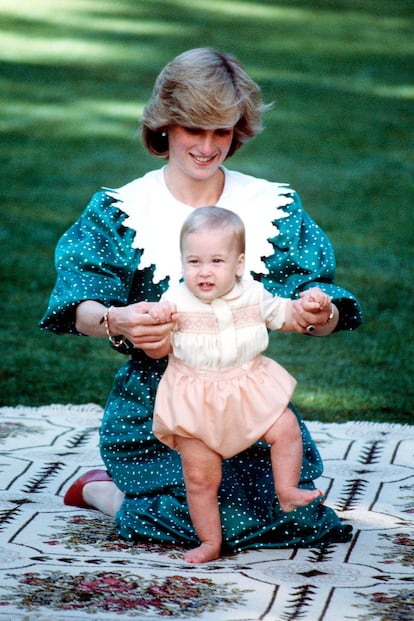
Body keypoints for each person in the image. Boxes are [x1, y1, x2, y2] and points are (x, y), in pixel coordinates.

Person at [40, 47, 362, 558]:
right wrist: (112, 319)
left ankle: (168, 498)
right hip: (160, 404)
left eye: (223, 131)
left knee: (297, 520)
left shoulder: (271, 207)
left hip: (242, 396)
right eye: (195, 128)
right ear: (164, 125)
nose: (209, 146)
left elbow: (318, 297)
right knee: (194, 518)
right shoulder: (121, 210)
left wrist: (319, 313)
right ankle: (106, 490)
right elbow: (77, 300)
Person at [150, 205, 332, 563]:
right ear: (182, 262)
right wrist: (154, 324)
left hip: (247, 386)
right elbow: (156, 341)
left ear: (238, 264)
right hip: (194, 398)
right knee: (201, 478)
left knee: (286, 427)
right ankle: (210, 542)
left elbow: (285, 314)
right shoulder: (174, 300)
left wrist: (309, 305)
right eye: (194, 261)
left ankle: (286, 489)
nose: (204, 271)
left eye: (216, 261)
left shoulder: (253, 294)